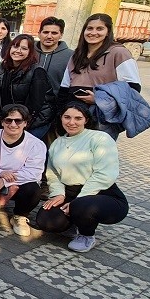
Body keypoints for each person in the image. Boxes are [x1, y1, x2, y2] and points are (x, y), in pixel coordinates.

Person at [35, 102, 129, 253]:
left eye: (78, 118)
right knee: (46, 221)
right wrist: (58, 193)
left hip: (101, 193)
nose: (71, 122)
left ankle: (86, 235)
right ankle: (75, 221)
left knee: (82, 206)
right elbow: (52, 173)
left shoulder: (99, 138)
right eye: (67, 117)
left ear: (86, 120)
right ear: (61, 118)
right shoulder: (57, 143)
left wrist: (80, 200)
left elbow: (104, 174)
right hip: (69, 192)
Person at [0, 104, 47, 237]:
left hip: (19, 183)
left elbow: (33, 172)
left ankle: (19, 216)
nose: (13, 124)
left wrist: (5, 181)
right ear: (2, 121)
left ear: (25, 123)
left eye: (18, 121)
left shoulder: (36, 144)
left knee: (33, 190)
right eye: (8, 120)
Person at [61, 13, 142, 136]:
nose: (93, 32)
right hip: (75, 115)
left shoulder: (119, 53)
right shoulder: (77, 54)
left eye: (99, 29)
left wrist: (99, 100)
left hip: (102, 117)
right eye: (89, 28)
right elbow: (65, 86)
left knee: (98, 152)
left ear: (108, 32)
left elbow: (133, 88)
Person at [0, 34, 55, 138]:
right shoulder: (3, 69)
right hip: (13, 119)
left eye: (24, 48)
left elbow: (35, 104)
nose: (18, 51)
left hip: (35, 122)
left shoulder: (37, 71)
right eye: (15, 46)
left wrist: (24, 124)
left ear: (30, 52)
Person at [36, 16, 71, 91]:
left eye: (54, 33)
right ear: (39, 34)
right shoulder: (27, 52)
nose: (49, 36)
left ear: (61, 35)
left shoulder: (71, 56)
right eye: (45, 32)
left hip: (56, 101)